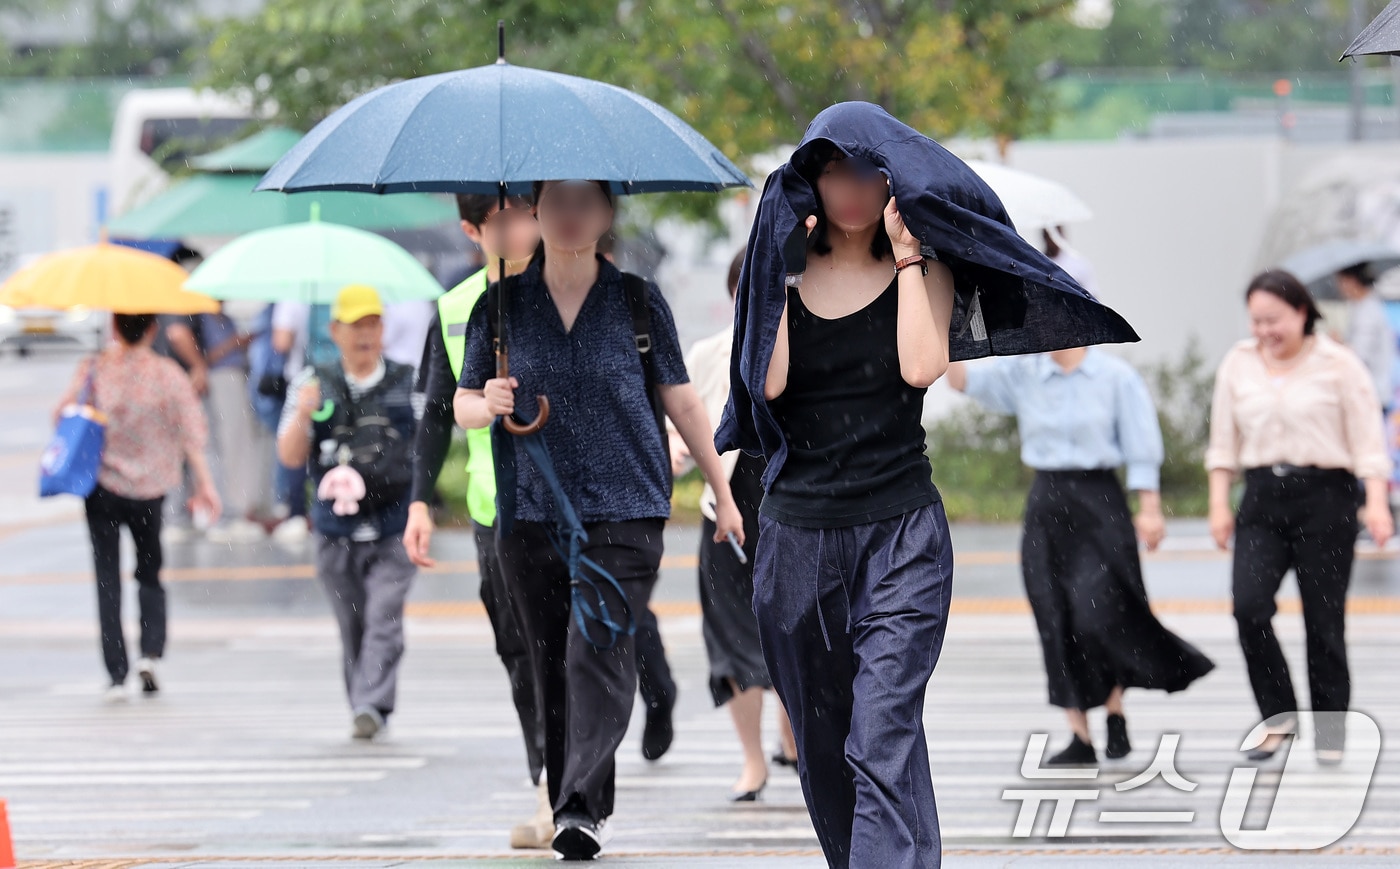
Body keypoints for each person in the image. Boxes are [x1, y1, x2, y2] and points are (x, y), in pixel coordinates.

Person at [453, 179, 744, 861]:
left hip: (627, 506)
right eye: (556, 200)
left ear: (608, 211)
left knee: (597, 644)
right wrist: (487, 400)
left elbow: (682, 399)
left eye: (587, 201)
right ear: (534, 211)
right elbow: (461, 402)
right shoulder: (499, 306)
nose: (571, 214)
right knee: (551, 659)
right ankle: (573, 798)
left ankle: (580, 807)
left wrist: (722, 490)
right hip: (530, 511)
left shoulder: (637, 301)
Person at [948, 349, 1214, 766]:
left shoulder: (1114, 377)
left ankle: (1114, 708)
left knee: (1101, 612)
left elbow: (1141, 443)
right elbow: (963, 382)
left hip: (1100, 500)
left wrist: (1150, 505)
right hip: (1047, 504)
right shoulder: (1024, 373)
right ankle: (1079, 736)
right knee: (1053, 615)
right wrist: (946, 326)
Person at [404, 192, 553, 849]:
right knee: (520, 648)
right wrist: (418, 500)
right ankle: (548, 772)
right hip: (496, 506)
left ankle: (565, 788)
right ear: (473, 229)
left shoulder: (577, 290)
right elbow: (440, 409)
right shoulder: (458, 305)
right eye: (503, 219)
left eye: (528, 212)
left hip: (572, 501)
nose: (520, 227)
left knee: (571, 644)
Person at [1207, 269, 1394, 765]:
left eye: (1275, 319)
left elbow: (1367, 442)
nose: (1265, 330)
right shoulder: (1239, 363)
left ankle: (1331, 730)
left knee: (1324, 622)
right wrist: (1218, 503)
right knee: (1248, 608)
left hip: (1326, 499)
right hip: (1263, 497)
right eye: (1256, 321)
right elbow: (1223, 442)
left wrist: (1375, 502)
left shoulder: (1339, 364)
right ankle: (1279, 717)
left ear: (1303, 311)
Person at [668, 250, 796, 800]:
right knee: (731, 640)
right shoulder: (708, 354)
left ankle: (795, 741)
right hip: (726, 512)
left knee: (798, 633)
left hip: (795, 510)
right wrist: (676, 450)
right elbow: (683, 421)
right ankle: (753, 761)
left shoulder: (809, 352)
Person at [277, 285, 420, 740]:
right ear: (334, 331)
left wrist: (423, 506)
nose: (365, 334)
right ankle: (365, 701)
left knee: (384, 616)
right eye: (355, 325)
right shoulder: (312, 382)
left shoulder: (408, 380)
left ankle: (371, 703)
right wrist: (304, 414)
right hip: (334, 528)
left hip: (394, 524)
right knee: (352, 623)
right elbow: (289, 457)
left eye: (373, 323)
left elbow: (428, 448)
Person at [55, 313, 220, 700]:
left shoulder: (94, 368)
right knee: (150, 572)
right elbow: (192, 433)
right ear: (151, 329)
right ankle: (151, 653)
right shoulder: (167, 374)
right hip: (151, 489)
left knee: (107, 577)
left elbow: (62, 415)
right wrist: (205, 485)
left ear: (115, 328)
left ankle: (116, 671)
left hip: (102, 487)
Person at [198, 306, 266, 544]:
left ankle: (239, 504)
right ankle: (228, 509)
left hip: (236, 377)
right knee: (225, 446)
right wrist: (234, 343)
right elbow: (205, 356)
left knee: (239, 445)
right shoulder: (201, 318)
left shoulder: (223, 317)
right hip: (220, 379)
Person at [1335, 262, 1396, 411]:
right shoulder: (1361, 307)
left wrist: (1337, 346)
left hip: (1371, 392)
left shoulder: (1368, 311)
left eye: (1341, 282)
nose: (1340, 287)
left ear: (1352, 281)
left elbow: (1360, 354)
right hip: (1371, 390)